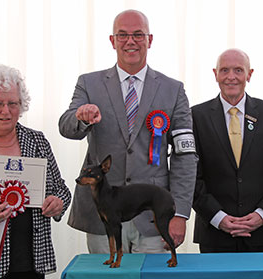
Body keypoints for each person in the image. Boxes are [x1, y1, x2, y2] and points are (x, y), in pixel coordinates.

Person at [59, 9, 197, 254]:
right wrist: (81, 117)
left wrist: (181, 213)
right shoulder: (88, 83)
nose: (130, 41)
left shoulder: (173, 89)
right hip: (103, 215)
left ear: (149, 40)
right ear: (112, 41)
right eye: (122, 35)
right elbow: (66, 126)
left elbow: (185, 155)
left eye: (137, 34)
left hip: (153, 217)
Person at [0, 64, 71, 279]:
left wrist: (58, 202)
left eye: (13, 103)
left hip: (32, 261)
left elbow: (61, 189)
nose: (6, 110)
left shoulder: (37, 140)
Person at [192, 48, 263, 252]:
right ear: (215, 74)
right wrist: (218, 217)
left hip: (260, 234)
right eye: (224, 70)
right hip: (214, 234)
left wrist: (261, 214)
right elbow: (190, 176)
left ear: (249, 74)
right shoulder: (195, 116)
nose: (231, 77)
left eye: (238, 70)